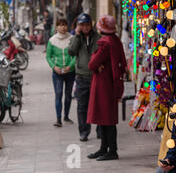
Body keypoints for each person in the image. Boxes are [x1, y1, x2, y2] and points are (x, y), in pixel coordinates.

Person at [86, 15, 127, 161]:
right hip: (111, 83)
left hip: (103, 85)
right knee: (105, 118)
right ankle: (104, 148)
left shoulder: (105, 43)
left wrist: (97, 64)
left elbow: (92, 64)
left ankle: (111, 151)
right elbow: (122, 62)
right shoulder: (116, 41)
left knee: (106, 119)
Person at [68, 13, 101, 142]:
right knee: (82, 106)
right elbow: (71, 51)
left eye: (87, 25)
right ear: (79, 26)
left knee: (98, 105)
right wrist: (76, 35)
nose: (85, 27)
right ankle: (84, 132)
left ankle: (100, 130)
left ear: (91, 25)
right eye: (82, 25)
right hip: (81, 77)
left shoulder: (97, 37)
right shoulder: (76, 38)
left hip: (96, 76)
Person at [45, 19, 76, 127]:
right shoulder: (52, 41)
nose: (63, 27)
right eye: (60, 25)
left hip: (70, 72)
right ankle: (58, 119)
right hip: (57, 73)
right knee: (58, 94)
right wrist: (54, 67)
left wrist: (70, 66)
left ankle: (66, 116)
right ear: (56, 27)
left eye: (65, 25)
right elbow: (48, 56)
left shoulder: (72, 39)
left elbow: (75, 55)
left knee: (68, 95)